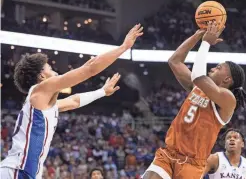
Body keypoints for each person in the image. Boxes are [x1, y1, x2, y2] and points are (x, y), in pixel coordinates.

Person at [0, 24, 143, 179]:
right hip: (17, 170)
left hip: (24, 171)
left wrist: (101, 91)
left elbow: (74, 101)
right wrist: (123, 47)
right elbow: (89, 69)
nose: (54, 68)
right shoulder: (40, 89)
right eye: (49, 67)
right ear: (41, 76)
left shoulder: (44, 104)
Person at [142, 21, 246, 179]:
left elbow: (198, 76)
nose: (213, 68)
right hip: (169, 154)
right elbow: (174, 61)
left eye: (219, 68)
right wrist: (197, 36)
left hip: (192, 164)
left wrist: (206, 43)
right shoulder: (198, 86)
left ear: (227, 79)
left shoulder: (228, 99)